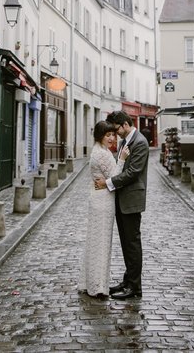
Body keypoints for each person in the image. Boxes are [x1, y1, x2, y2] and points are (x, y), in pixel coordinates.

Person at [94, 110, 149, 300]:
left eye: (116, 129)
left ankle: (135, 287)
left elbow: (133, 172)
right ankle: (127, 281)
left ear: (125, 124)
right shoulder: (125, 142)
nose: (115, 134)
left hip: (131, 200)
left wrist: (107, 183)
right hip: (121, 199)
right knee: (126, 244)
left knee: (132, 243)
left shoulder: (139, 143)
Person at [78, 121, 124, 299]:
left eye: (113, 134)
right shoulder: (102, 154)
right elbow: (115, 176)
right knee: (102, 242)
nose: (112, 138)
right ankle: (98, 286)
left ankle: (90, 282)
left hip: (99, 198)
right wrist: (121, 159)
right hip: (103, 201)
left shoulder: (99, 150)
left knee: (95, 241)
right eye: (108, 135)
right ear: (100, 136)